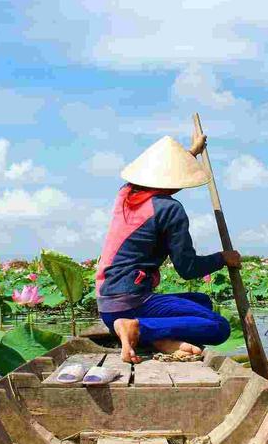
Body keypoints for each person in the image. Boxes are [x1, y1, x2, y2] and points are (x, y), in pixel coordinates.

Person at [95, 133, 241, 363]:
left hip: (107, 307)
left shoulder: (125, 194)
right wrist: (223, 258)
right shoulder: (170, 209)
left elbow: (163, 177)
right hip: (131, 304)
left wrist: (191, 152)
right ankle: (138, 328)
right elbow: (188, 268)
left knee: (201, 301)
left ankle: (158, 339)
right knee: (218, 326)